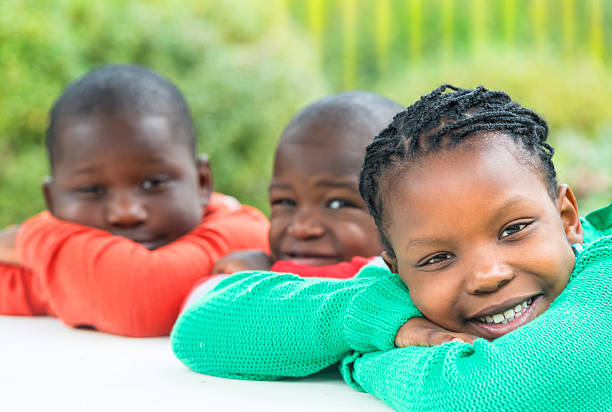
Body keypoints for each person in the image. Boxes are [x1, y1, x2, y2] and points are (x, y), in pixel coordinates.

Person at [171, 85, 612, 410]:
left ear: (568, 217)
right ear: (396, 269)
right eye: (438, 258)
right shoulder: (400, 298)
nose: (488, 275)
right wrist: (369, 319)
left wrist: (362, 361)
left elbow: (492, 390)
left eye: (513, 229)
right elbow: (201, 330)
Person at [0, 64, 269, 337]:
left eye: (154, 183)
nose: (126, 212)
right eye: (92, 190)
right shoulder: (63, 258)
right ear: (52, 201)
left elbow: (142, 298)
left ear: (202, 183)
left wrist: (32, 239)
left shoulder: (243, 231)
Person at [181, 91, 403, 308]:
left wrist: (258, 281)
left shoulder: (402, 282)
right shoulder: (269, 268)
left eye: (338, 204)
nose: (301, 228)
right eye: (286, 202)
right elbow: (195, 308)